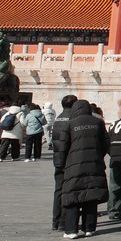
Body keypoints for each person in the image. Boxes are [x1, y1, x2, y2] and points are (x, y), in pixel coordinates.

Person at [61, 100, 110, 239]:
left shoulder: (70, 123)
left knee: (73, 195)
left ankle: (71, 230)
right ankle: (89, 228)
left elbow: (63, 146)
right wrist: (97, 155)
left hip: (74, 165)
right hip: (94, 163)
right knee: (91, 195)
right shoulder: (98, 123)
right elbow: (105, 143)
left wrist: (63, 163)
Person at [51, 94, 78, 230]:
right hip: (69, 160)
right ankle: (63, 220)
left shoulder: (58, 118)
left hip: (58, 158)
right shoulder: (73, 120)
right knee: (68, 190)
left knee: (58, 190)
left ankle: (55, 220)